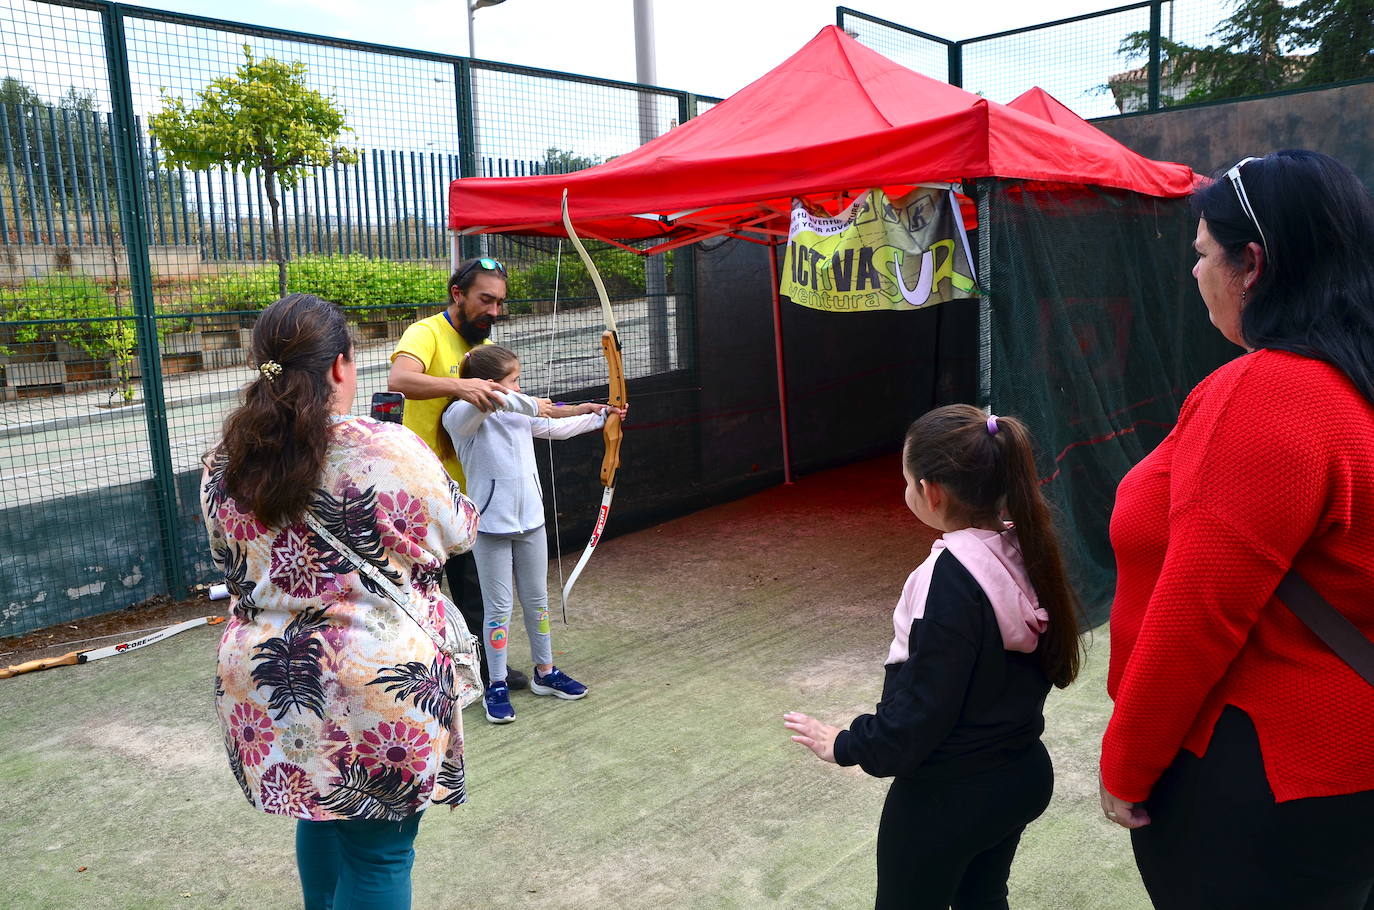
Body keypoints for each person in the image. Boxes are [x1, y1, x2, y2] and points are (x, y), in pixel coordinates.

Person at [1099, 150, 1374, 909]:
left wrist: (1125, 764)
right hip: (1342, 772)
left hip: (1261, 779)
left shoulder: (1270, 390)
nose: (1194, 274)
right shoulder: (1355, 383)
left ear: (1250, 264)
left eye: (1201, 254)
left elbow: (1200, 610)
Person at [204, 294, 480, 910]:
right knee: (380, 851)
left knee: (321, 808)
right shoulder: (389, 448)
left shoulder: (227, 459)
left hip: (267, 677)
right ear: (339, 367)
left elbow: (230, 560)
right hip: (374, 679)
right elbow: (459, 531)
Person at [785, 405, 1083, 910]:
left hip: (948, 797)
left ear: (931, 492)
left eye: (905, 481)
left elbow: (920, 713)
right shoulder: (1024, 549)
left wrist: (847, 744)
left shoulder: (947, 580)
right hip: (1021, 776)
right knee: (982, 896)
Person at [441, 344, 624, 724]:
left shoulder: (518, 413)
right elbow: (504, 402)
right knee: (498, 609)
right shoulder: (459, 415)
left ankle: (546, 672)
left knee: (537, 600)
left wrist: (601, 415)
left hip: (531, 523)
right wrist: (529, 400)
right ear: (491, 384)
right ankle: (496, 684)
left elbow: (554, 425)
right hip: (491, 526)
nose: (520, 388)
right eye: (515, 380)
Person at [387, 257, 528, 690]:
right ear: (457, 294)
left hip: (469, 493)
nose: (494, 311)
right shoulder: (425, 333)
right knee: (416, 593)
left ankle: (489, 673)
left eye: (500, 303)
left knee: (476, 592)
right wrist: (460, 385)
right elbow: (400, 379)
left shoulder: (481, 344)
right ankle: (414, 678)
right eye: (486, 300)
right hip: (421, 491)